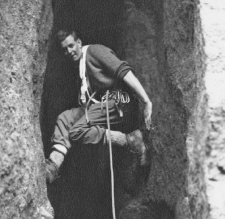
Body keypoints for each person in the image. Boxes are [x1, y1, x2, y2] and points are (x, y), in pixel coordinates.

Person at [45, 30, 152, 183]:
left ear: (79, 43)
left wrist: (146, 101)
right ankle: (53, 166)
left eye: (71, 46)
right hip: (99, 106)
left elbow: (124, 71)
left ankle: (130, 139)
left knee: (76, 131)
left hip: (118, 103)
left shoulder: (95, 52)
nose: (69, 51)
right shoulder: (80, 66)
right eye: (65, 49)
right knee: (64, 119)